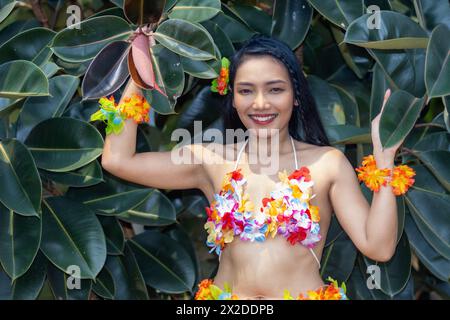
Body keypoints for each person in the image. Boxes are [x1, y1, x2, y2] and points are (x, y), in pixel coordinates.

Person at [98, 35, 415, 300]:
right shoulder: (211, 159)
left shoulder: (327, 163)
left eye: (275, 89)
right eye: (246, 90)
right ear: (233, 98)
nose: (260, 103)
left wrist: (384, 161)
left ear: (296, 96)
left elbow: (380, 247)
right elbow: (118, 160)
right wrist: (139, 71)